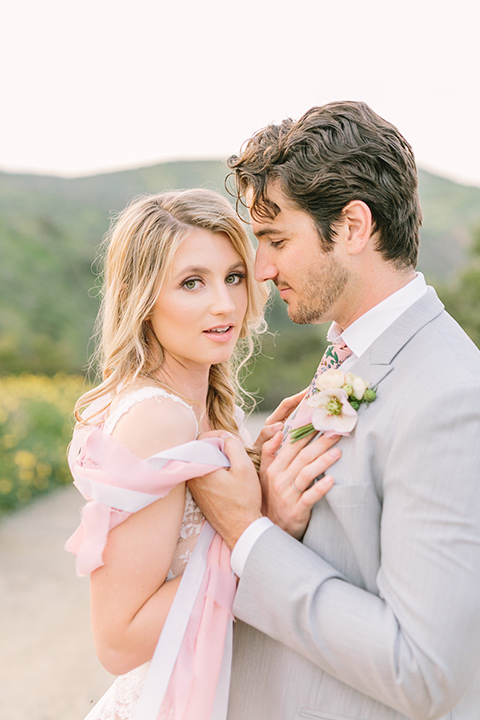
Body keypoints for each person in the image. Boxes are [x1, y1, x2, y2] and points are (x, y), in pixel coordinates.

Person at [188, 102, 480, 720]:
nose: (261, 270)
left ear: (351, 226)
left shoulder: (450, 397)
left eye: (276, 240)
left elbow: (423, 671)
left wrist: (250, 534)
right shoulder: (355, 352)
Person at [65, 187, 340, 720]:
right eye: (192, 282)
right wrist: (263, 534)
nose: (224, 303)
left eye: (234, 277)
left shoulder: (210, 409)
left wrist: (258, 467)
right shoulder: (158, 419)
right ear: (143, 298)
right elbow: (117, 642)